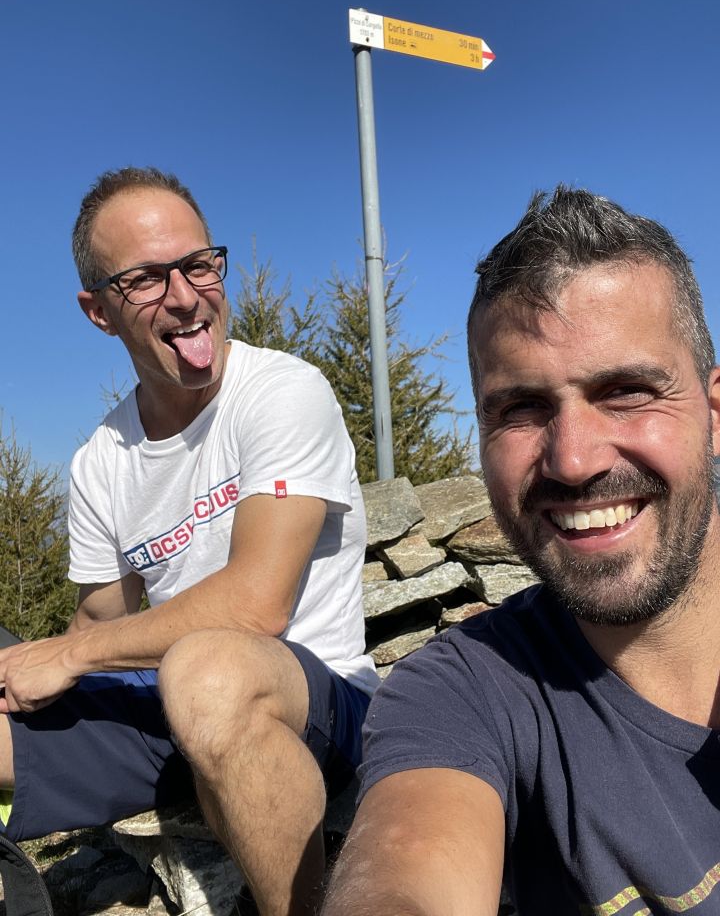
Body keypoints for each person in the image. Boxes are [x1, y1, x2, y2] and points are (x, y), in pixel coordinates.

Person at [323, 186, 720, 916]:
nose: (573, 460)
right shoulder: (459, 695)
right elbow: (405, 871)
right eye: (521, 408)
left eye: (627, 391)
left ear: (714, 412)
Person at [0, 167, 378, 916]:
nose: (184, 296)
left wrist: (69, 657)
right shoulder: (102, 458)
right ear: (99, 312)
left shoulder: (282, 392)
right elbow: (99, 621)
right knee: (188, 678)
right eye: (145, 279)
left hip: (314, 703)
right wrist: (29, 666)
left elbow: (256, 606)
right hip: (172, 711)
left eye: (199, 264)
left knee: (207, 668)